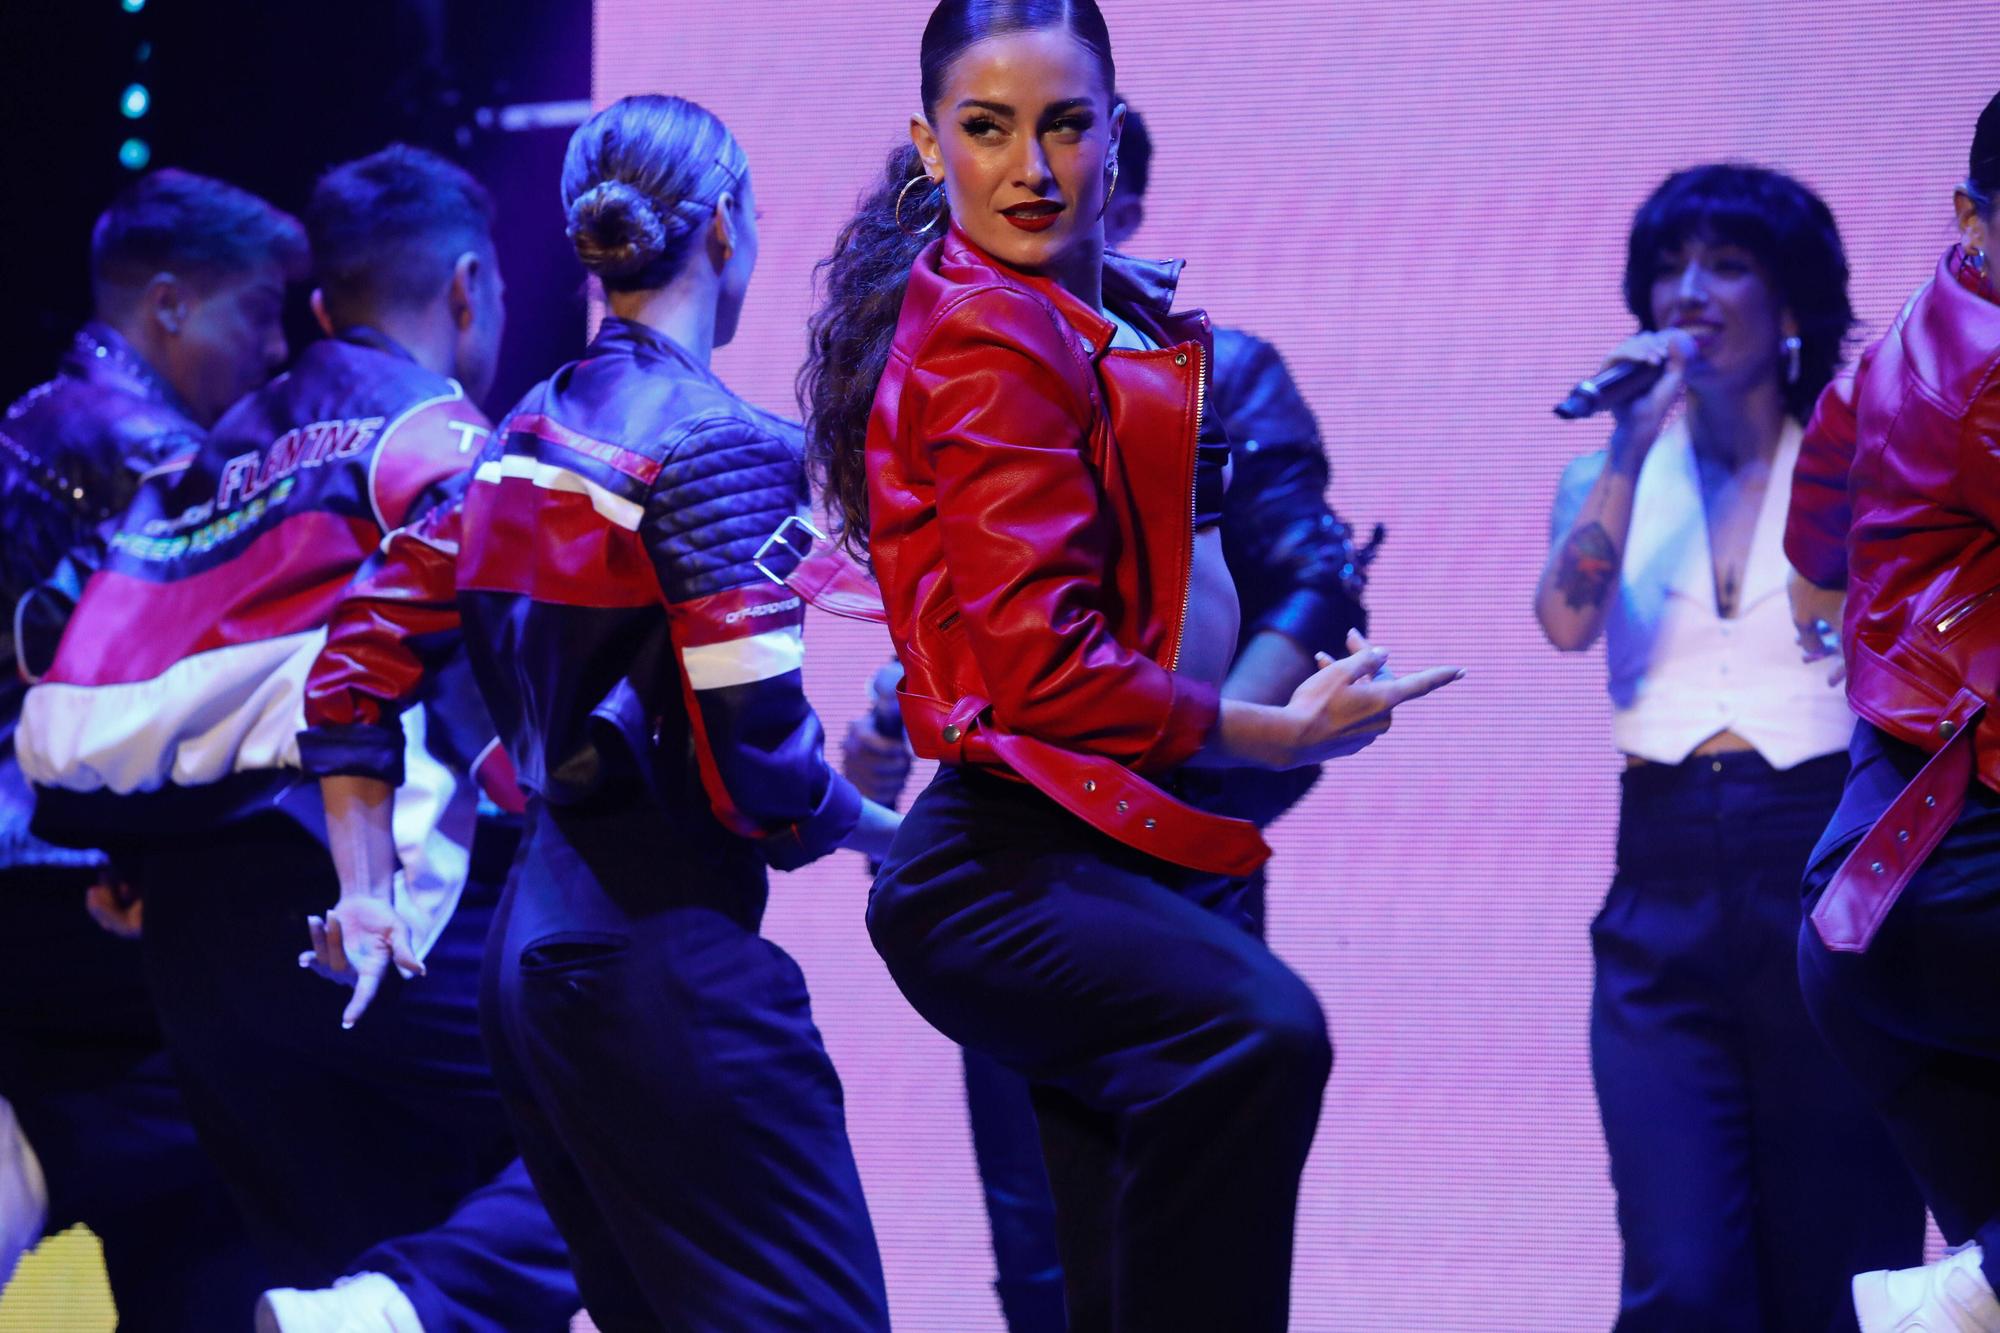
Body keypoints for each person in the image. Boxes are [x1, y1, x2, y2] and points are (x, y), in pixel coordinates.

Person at [803, 4, 1459, 1329]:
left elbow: (1251, 583)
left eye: (1065, 125)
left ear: (1117, 134)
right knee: (1256, 1039)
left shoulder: (1110, 327)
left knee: (1109, 1244)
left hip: (1117, 840)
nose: (1032, 169)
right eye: (987, 131)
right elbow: (1044, 667)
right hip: (1015, 858)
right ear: (930, 148)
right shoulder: (994, 338)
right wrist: (1272, 734)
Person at [300, 95, 900, 1332]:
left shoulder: (509, 440)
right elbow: (763, 775)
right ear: (724, 228)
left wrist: (365, 889)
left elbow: (350, 671)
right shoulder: (717, 444)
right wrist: (895, 832)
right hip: (663, 959)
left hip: (531, 980)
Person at [16, 145, 578, 1333]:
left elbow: (88, 641)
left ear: (322, 310)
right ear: (470, 288)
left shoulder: (211, 448)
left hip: (188, 955)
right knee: (631, 1126)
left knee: (315, 1258)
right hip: (371, 923)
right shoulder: (441, 443)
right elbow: (516, 734)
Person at [1534, 163, 1924, 1331]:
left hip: (1824, 872)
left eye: (1725, 265)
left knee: (1837, 1267)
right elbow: (1562, 619)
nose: (1688, 293)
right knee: (1683, 1279)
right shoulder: (1608, 471)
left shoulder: (1862, 469)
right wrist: (1623, 442)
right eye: (1668, 267)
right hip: (1656, 892)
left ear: (1792, 304)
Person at [0, 166, 300, 1328]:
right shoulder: (147, 452)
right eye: (260, 311)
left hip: (46, 890)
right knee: (237, 1156)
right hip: (84, 898)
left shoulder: (38, 421)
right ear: (168, 306)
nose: (279, 350)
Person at [1789, 89, 2000, 1333]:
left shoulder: (1896, 354)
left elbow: (1816, 534)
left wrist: (1865, 600)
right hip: (1945, 882)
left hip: (1888, 900)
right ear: (1970, 219)